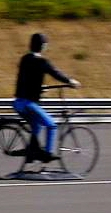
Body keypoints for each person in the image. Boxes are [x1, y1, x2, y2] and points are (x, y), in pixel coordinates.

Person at [13, 32, 80, 162]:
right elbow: (55, 73)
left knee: (37, 125)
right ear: (43, 46)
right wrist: (70, 81)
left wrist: (39, 88)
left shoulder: (25, 59)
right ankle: (47, 154)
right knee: (51, 125)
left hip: (18, 102)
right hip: (28, 104)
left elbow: (26, 78)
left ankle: (31, 152)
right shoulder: (42, 61)